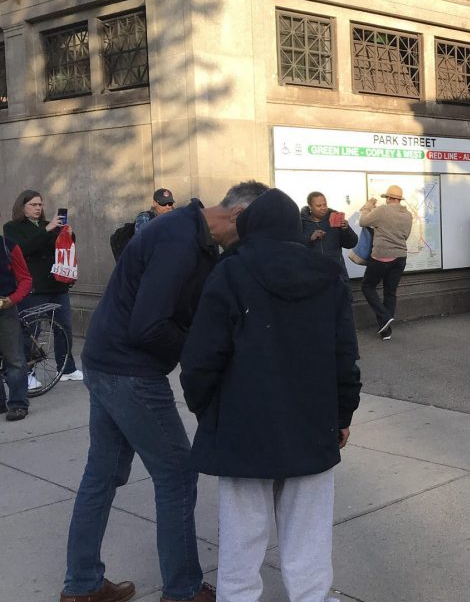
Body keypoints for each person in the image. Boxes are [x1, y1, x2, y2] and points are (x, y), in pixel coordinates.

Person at [62, 180, 267, 602]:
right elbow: (149, 325)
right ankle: (184, 589)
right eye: (253, 231)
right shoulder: (178, 239)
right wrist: (199, 357)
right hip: (129, 371)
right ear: (238, 216)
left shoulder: (191, 234)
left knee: (101, 476)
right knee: (176, 473)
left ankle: (81, 586)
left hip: (105, 361)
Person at [179, 189, 362, 602]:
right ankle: (312, 597)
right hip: (313, 418)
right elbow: (344, 355)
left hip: (243, 420)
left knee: (243, 530)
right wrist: (343, 413)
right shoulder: (327, 276)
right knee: (309, 527)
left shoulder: (229, 273)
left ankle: (238, 597)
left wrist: (206, 408)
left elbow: (201, 358)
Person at [4, 190, 83, 386]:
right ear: (22, 207)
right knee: (31, 330)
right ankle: (27, 372)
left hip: (56, 284)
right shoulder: (12, 227)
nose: (38, 208)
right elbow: (21, 249)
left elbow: (63, 248)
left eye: (40, 205)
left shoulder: (49, 226)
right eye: (33, 205)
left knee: (64, 327)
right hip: (34, 287)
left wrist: (69, 235)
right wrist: (47, 229)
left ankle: (66, 368)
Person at [359, 185, 413, 340]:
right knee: (390, 292)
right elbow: (406, 235)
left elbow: (363, 221)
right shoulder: (408, 215)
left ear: (388, 198)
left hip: (381, 256)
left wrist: (368, 207)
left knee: (367, 286)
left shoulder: (382, 210)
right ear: (399, 199)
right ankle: (386, 331)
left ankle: (384, 315)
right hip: (400, 257)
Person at [0, 234, 33, 421]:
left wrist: (12, 300)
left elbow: (25, 279)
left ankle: (18, 404)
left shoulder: (9, 246)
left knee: (14, 359)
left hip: (5, 309)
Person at [301, 190, 359, 282]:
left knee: (343, 295)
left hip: (336, 273)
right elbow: (295, 246)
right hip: (313, 274)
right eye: (319, 206)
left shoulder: (335, 219)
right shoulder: (301, 222)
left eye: (325, 204)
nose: (323, 208)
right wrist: (310, 238)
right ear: (310, 207)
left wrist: (346, 229)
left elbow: (351, 243)